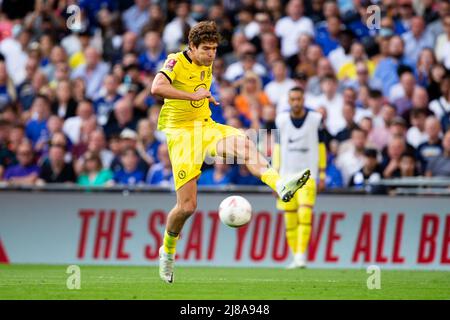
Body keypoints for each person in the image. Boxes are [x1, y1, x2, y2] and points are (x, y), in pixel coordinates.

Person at [150, 21, 310, 283]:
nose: (211, 54)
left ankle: (280, 186)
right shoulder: (175, 61)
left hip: (206, 126)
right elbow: (156, 88)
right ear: (191, 47)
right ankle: (167, 252)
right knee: (187, 207)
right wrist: (193, 96)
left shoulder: (208, 61)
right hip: (181, 135)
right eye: (205, 49)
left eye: (214, 48)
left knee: (246, 144)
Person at [273, 87, 326, 269]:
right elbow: (278, 148)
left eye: (299, 99)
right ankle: (296, 256)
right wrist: (275, 178)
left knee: (305, 214)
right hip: (286, 176)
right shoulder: (281, 120)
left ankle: (301, 254)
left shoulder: (315, 120)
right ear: (289, 101)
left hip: (308, 175)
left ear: (304, 100)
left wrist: (322, 173)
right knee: (290, 219)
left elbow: (321, 146)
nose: (296, 102)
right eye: (293, 99)